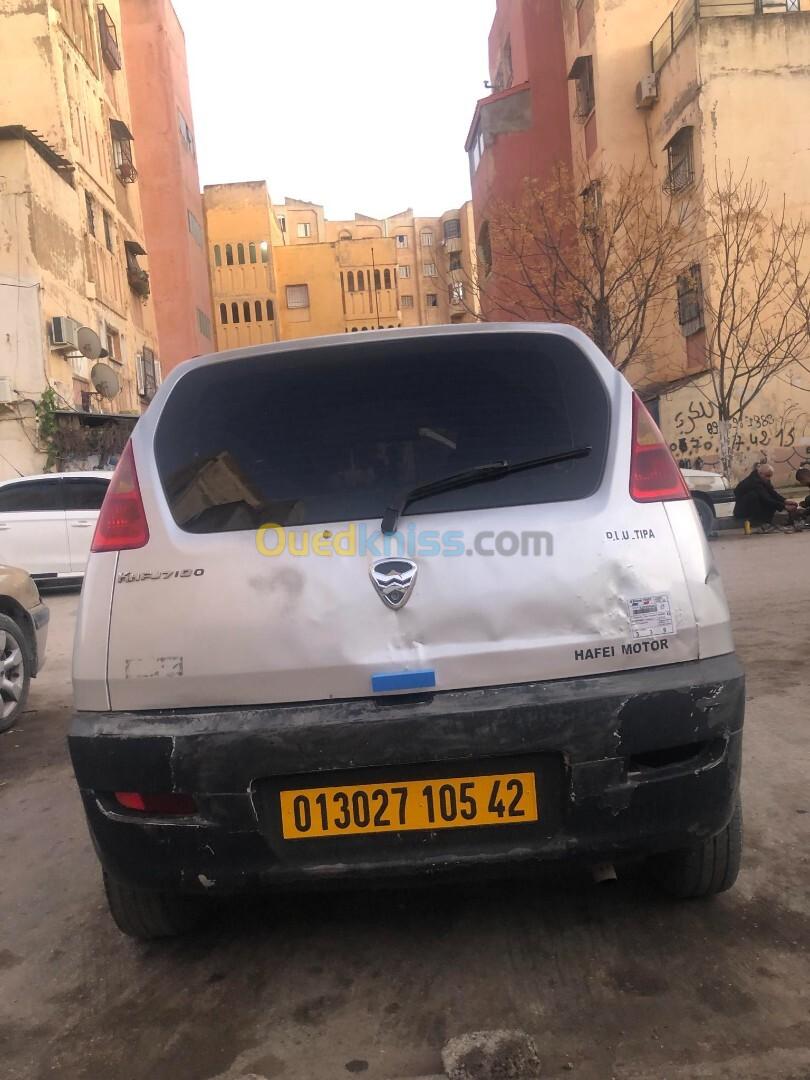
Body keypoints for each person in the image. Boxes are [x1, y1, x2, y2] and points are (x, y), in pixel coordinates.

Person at [733, 463, 798, 532]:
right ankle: (760, 522)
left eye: (770, 476)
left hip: (754, 505)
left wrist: (785, 501)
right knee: (758, 497)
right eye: (767, 476)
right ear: (760, 473)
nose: (768, 478)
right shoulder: (753, 481)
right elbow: (765, 498)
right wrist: (784, 506)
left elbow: (772, 492)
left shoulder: (762, 478)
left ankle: (766, 523)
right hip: (742, 510)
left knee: (771, 500)